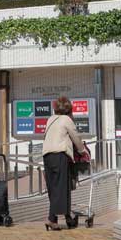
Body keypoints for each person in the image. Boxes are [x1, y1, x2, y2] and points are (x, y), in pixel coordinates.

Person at [42, 96, 87, 231]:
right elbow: (75, 136)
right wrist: (82, 150)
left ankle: (59, 219)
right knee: (61, 188)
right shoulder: (67, 119)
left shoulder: (51, 119)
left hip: (47, 156)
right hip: (59, 155)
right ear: (69, 108)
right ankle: (52, 219)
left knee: (54, 188)